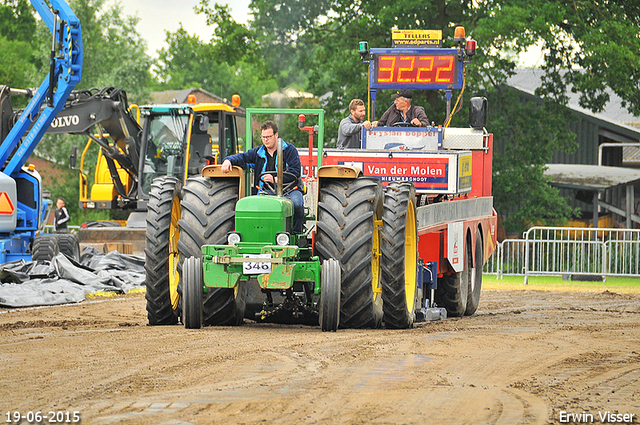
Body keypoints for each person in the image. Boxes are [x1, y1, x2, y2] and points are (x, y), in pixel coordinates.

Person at [221, 120, 305, 234]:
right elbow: (243, 157)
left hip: (289, 190)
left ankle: (296, 235)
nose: (266, 140)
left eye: (268, 137)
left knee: (297, 204)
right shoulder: (258, 152)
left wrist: (275, 179)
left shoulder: (289, 150)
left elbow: (295, 171)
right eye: (263, 137)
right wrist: (228, 160)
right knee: (256, 207)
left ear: (276, 135)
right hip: (267, 191)